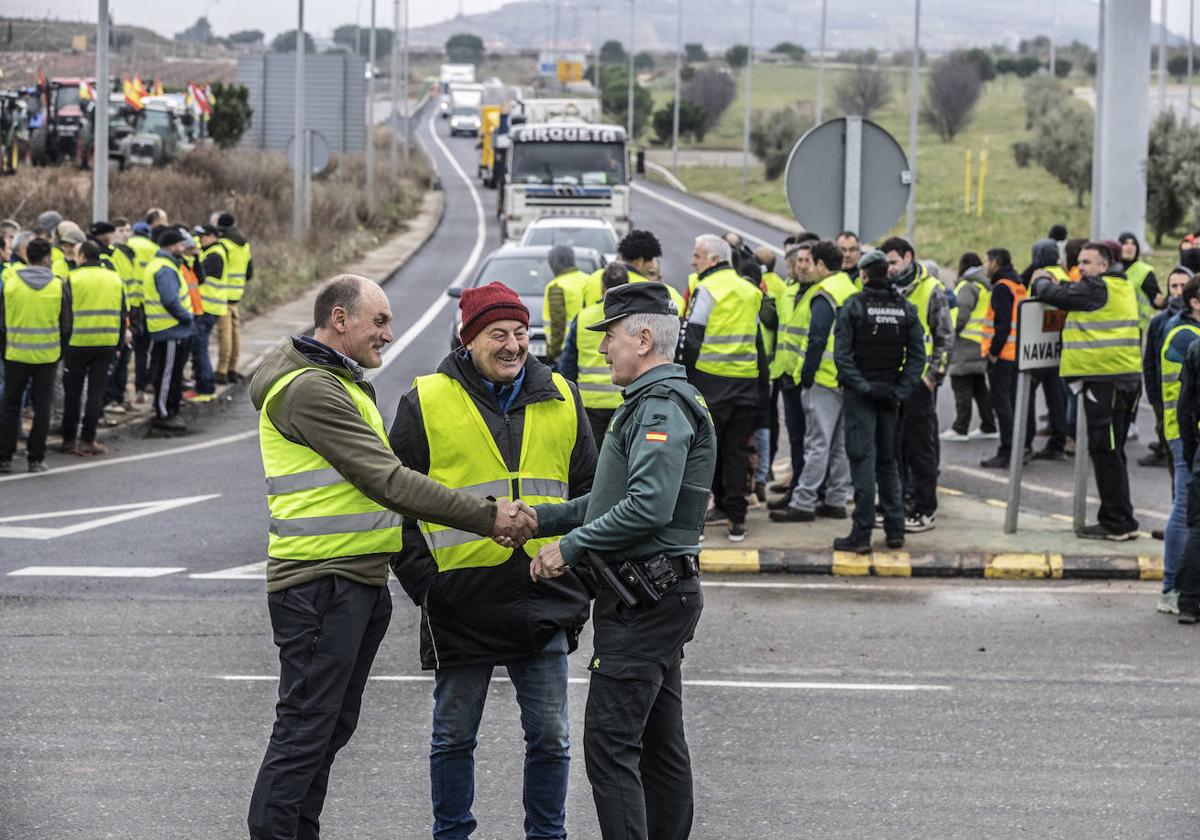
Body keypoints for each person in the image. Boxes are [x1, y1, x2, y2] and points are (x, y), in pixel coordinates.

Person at [247, 275, 540, 839]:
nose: (389, 332)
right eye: (378, 321)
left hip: (351, 580)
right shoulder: (311, 389)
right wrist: (488, 514)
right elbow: (385, 479)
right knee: (304, 733)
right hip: (320, 584)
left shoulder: (342, 383)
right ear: (339, 318)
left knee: (326, 730)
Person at [389, 281, 596, 840]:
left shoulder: (563, 395)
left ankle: (546, 836)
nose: (512, 345)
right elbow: (393, 502)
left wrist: (578, 572)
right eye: (497, 334)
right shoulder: (424, 401)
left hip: (544, 594)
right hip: (461, 599)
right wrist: (426, 586)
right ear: (468, 339)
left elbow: (591, 496)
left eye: (520, 333)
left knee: (551, 737)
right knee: (453, 736)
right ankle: (452, 834)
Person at [528, 282, 716, 840]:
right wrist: (545, 520)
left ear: (641, 336)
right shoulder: (653, 399)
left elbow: (648, 508)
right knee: (659, 746)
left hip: (646, 601)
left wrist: (571, 547)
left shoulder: (661, 405)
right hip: (653, 596)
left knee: (610, 747)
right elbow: (611, 499)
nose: (603, 350)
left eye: (609, 337)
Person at [1031, 242, 1141, 540]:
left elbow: (1054, 294)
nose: (1081, 267)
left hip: (1106, 381)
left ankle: (1115, 522)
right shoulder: (1118, 286)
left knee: (1104, 451)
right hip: (1120, 379)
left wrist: (1041, 279)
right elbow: (1072, 291)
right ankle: (1122, 518)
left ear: (1104, 266)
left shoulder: (1096, 287)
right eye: (1078, 262)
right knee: (1112, 451)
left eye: (1087, 262)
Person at [831, 250, 925, 552]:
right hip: (890, 395)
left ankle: (861, 535)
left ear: (864, 275)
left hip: (863, 397)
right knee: (889, 463)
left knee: (863, 463)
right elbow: (917, 357)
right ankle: (895, 532)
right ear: (888, 273)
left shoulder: (853, 307)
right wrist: (900, 389)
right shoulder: (905, 308)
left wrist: (863, 387)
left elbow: (842, 357)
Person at [683, 233, 770, 542]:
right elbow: (758, 342)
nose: (693, 261)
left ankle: (696, 524)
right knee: (735, 451)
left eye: (698, 255)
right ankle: (736, 520)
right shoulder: (750, 291)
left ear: (714, 259)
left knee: (703, 453)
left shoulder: (706, 288)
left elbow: (691, 338)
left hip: (710, 383)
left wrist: (685, 378)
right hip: (745, 383)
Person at [769, 240, 856, 523]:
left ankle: (804, 502)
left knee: (817, 444)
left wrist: (807, 375)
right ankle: (835, 499)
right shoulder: (851, 288)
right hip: (847, 379)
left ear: (820, 265)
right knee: (840, 444)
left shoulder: (825, 292)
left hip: (824, 378)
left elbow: (817, 337)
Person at [880, 237, 952, 532]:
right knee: (893, 450)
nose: (890, 269)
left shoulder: (932, 290)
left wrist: (932, 378)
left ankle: (924, 510)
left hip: (919, 386)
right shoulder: (887, 289)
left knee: (921, 451)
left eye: (894, 263)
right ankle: (898, 504)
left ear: (909, 258)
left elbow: (945, 339)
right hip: (892, 384)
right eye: (886, 265)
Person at [0, 238, 71, 473]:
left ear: (27, 256)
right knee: (43, 407)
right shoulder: (58, 285)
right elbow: (66, 325)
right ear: (47, 258)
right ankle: (36, 458)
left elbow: (1, 322)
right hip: (47, 356)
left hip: (15, 353)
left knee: (11, 406)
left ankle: (5, 457)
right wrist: (60, 350)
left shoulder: (10, 283)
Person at [1156, 275, 1200, 614]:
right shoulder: (1186, 335)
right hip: (1184, 434)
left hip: (1183, 431)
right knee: (1185, 510)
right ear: (1195, 302)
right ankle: (1171, 588)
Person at [60, 241, 125, 456]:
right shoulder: (115, 278)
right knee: (96, 393)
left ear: (83, 256)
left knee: (73, 393)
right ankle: (89, 438)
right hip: (106, 342)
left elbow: (64, 312)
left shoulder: (73, 278)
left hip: (77, 343)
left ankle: (69, 440)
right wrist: (118, 343)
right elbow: (122, 313)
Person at [767, 240, 817, 506]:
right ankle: (797, 487)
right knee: (797, 439)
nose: (801, 266)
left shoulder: (819, 293)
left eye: (807, 261)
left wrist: (800, 373)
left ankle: (807, 491)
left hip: (806, 377)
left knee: (813, 440)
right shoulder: (790, 292)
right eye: (798, 261)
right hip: (786, 375)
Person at [559, 262, 632, 444]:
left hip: (589, 403)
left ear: (602, 287)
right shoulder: (634, 318)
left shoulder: (583, 316)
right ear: (628, 285)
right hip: (625, 401)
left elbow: (567, 363)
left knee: (593, 460)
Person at [979, 248, 1028, 469]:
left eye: (987, 261)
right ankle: (1019, 447)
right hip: (1017, 353)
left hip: (1003, 355)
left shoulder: (1001, 287)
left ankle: (1007, 450)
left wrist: (993, 352)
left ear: (996, 263)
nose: (985, 266)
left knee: (1002, 405)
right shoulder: (1017, 285)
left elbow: (1003, 324)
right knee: (1013, 403)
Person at [144, 228, 195, 434]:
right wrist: (186, 317)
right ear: (172, 246)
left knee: (172, 374)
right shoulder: (164, 268)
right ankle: (164, 414)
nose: (183, 249)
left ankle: (171, 411)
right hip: (169, 330)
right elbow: (170, 300)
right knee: (167, 375)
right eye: (181, 245)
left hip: (171, 330)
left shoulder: (164, 265)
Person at [943, 253, 998, 442]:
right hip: (980, 340)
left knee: (961, 385)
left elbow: (961, 314)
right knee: (979, 387)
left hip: (965, 342)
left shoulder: (967, 286)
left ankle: (960, 428)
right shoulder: (984, 286)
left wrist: (949, 332)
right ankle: (989, 425)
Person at [1142, 267, 1193, 469]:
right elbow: (1150, 361)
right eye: (1174, 286)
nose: (1179, 291)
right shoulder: (1159, 321)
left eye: (1183, 285)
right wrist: (1154, 395)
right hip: (1166, 396)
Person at [1026, 239, 1070, 461]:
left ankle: (1025, 444)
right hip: (1058, 346)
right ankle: (1057, 442)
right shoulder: (1065, 275)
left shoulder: (1039, 276)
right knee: (1056, 397)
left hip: (1036, 345)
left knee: (1027, 396)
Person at [215, 211, 252, 384]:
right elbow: (249, 272)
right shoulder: (244, 244)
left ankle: (222, 371)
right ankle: (232, 368)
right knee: (235, 332)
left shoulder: (223, 245)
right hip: (237, 293)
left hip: (222, 294)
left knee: (225, 333)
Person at [542, 243, 590, 363]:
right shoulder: (588, 280)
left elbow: (557, 322)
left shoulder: (556, 286)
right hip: (588, 345)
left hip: (566, 350)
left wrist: (554, 352)